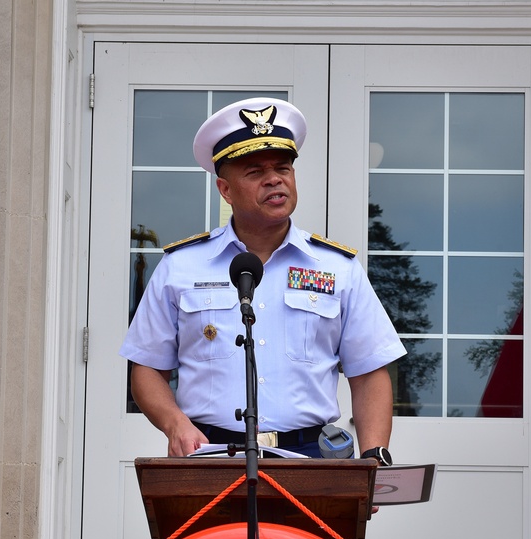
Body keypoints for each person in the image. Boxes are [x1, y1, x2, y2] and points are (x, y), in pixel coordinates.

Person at [120, 97, 405, 462]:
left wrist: (373, 455)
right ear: (225, 190)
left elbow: (369, 373)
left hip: (313, 459)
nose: (274, 179)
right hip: (212, 454)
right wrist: (175, 423)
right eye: (255, 172)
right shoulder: (182, 267)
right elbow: (146, 367)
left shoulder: (337, 268)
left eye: (283, 168)